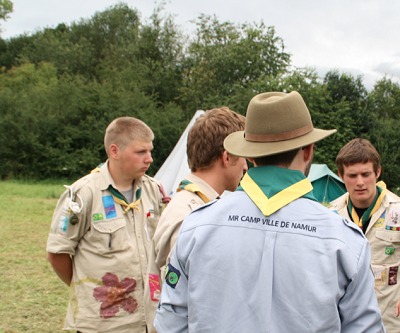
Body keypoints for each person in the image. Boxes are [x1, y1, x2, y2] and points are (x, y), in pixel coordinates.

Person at [154, 91, 385, 332]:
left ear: (250, 155)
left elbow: (171, 323)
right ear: (308, 151)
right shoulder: (344, 240)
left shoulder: (197, 227)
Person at [46, 116, 169, 333]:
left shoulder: (153, 190)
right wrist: (90, 290)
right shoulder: (83, 195)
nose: (149, 159)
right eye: (141, 152)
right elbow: (58, 253)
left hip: (148, 319)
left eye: (150, 151)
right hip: (103, 322)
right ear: (114, 151)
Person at [144, 107, 247, 331]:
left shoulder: (201, 206)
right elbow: (183, 301)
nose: (246, 166)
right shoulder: (187, 215)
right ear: (227, 157)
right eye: (243, 157)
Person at [330, 138, 400, 332]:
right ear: (341, 175)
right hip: (349, 320)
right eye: (352, 175)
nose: (360, 182)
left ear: (377, 172)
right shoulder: (331, 215)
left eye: (365, 174)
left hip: (391, 319)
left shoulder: (398, 211)